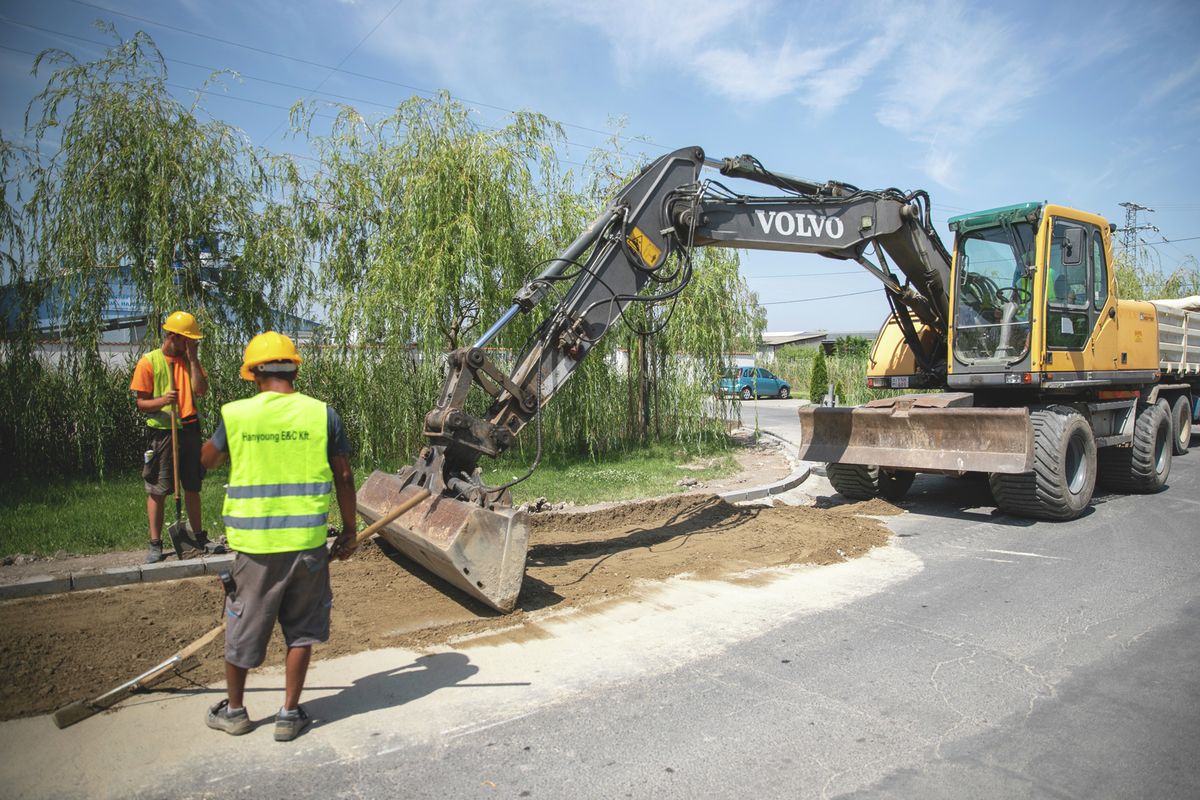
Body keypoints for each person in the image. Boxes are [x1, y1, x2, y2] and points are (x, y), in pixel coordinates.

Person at [199, 331, 357, 742]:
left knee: (241, 627)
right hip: (307, 546)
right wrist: (351, 530)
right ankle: (289, 714)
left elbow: (207, 461)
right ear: (295, 370)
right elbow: (343, 475)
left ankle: (234, 712)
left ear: (253, 373)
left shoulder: (236, 415)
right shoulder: (324, 414)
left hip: (255, 550)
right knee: (302, 629)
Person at [130, 310, 210, 564]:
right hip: (162, 433)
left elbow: (201, 390)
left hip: (189, 429)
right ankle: (155, 543)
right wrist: (163, 401)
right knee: (158, 488)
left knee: (192, 485)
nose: (192, 345)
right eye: (189, 340)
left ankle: (198, 536)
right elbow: (141, 403)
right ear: (174, 337)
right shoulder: (149, 362)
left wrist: (194, 359)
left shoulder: (190, 361)